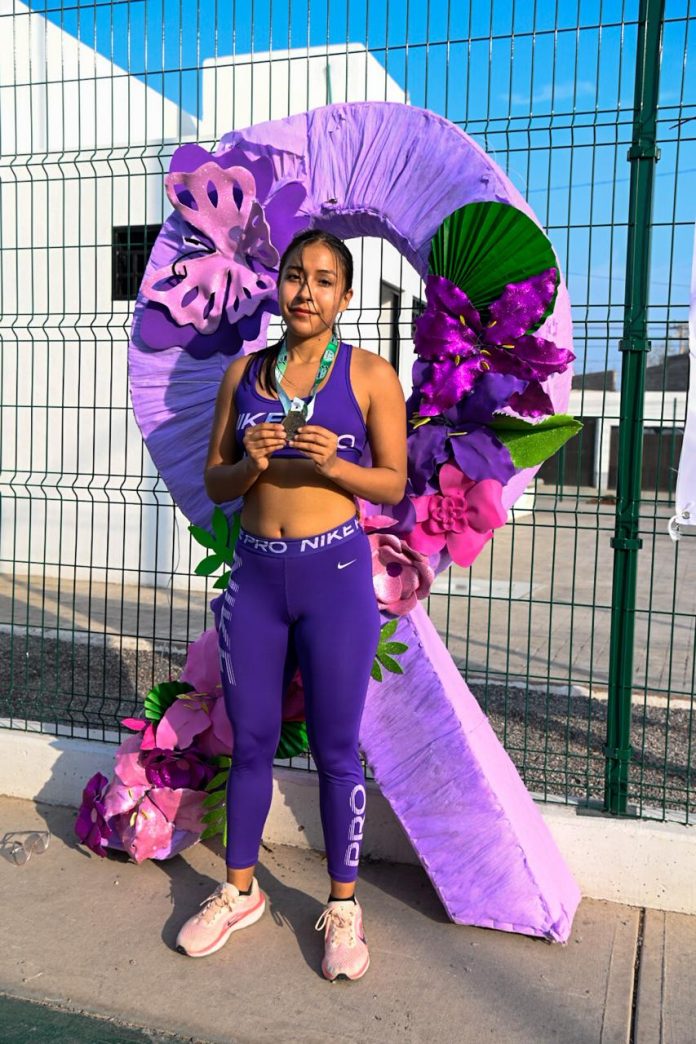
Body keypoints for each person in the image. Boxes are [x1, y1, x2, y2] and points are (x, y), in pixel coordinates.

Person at [175, 229, 407, 980]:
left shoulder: (370, 375)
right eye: (295, 275)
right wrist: (250, 463)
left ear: (345, 295)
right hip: (255, 580)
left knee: (336, 749)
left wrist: (335, 464)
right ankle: (239, 891)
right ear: (278, 285)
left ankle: (342, 905)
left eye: (324, 279)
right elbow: (215, 480)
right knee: (250, 741)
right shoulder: (244, 375)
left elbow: (395, 483)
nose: (307, 291)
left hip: (334, 578)